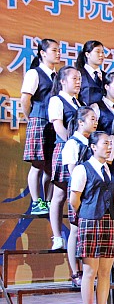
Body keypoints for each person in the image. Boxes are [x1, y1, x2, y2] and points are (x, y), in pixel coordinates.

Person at [69, 131, 114, 304]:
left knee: (105, 271)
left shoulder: (113, 170)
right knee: (90, 271)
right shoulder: (82, 169)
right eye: (105, 143)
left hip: (110, 220)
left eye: (110, 144)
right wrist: (88, 213)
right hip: (90, 221)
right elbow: (74, 200)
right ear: (93, 147)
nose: (109, 147)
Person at [21, 38, 59, 215]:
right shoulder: (34, 73)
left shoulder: (58, 76)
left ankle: (48, 201)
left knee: (51, 166)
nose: (58, 53)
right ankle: (37, 201)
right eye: (54, 50)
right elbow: (25, 99)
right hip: (39, 120)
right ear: (43, 53)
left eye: (59, 50)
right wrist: (31, 118)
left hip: (54, 123)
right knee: (37, 163)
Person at [62, 106, 98, 287]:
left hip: (94, 192)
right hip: (79, 190)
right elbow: (72, 171)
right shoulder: (72, 144)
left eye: (96, 119)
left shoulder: (94, 142)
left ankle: (90, 270)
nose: (95, 122)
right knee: (75, 230)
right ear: (80, 122)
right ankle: (75, 272)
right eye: (92, 119)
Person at [48, 66, 82, 250]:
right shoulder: (57, 100)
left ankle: (75, 235)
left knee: (74, 191)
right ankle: (57, 236)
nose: (78, 82)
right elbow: (58, 126)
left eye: (79, 79)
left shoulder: (79, 102)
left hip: (80, 152)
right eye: (74, 78)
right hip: (64, 149)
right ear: (62, 81)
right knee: (59, 193)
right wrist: (72, 143)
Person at [76, 40, 105, 106]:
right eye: (97, 52)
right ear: (87, 54)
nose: (101, 55)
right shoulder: (78, 74)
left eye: (103, 52)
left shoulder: (106, 76)